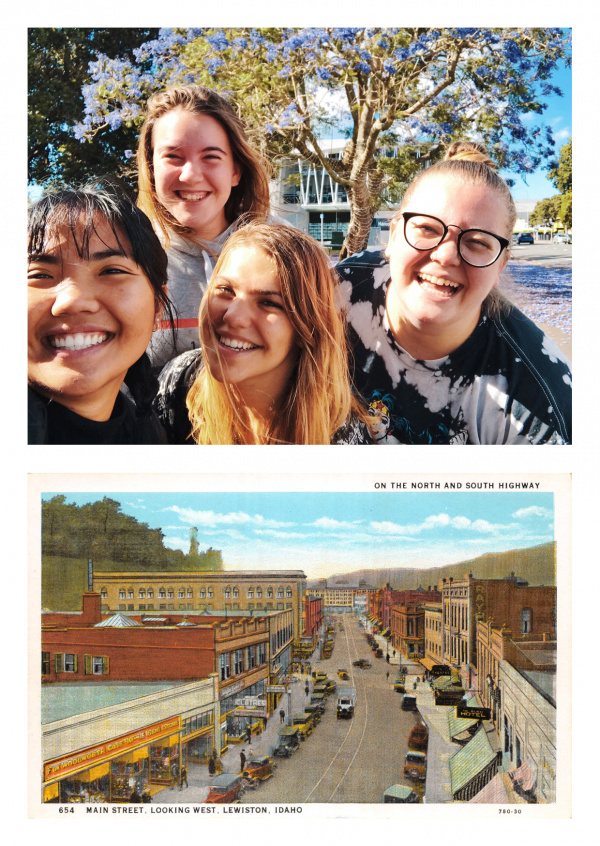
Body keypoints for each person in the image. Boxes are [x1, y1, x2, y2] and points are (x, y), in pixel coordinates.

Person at [336, 141, 572, 444]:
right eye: (427, 229)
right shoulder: (339, 290)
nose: (446, 256)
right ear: (394, 237)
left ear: (500, 265)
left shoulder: (538, 402)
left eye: (477, 241)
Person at [156, 222, 372, 444]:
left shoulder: (341, 439)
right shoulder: (178, 382)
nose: (233, 316)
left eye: (269, 302)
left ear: (307, 328)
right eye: (225, 290)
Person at [137, 84, 271, 369]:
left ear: (235, 170)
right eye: (173, 157)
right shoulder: (126, 259)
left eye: (211, 157)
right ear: (151, 168)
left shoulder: (282, 254)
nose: (191, 175)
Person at [28, 186, 174, 444]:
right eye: (40, 275)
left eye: (111, 271)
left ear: (158, 306)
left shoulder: (149, 434)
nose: (72, 301)